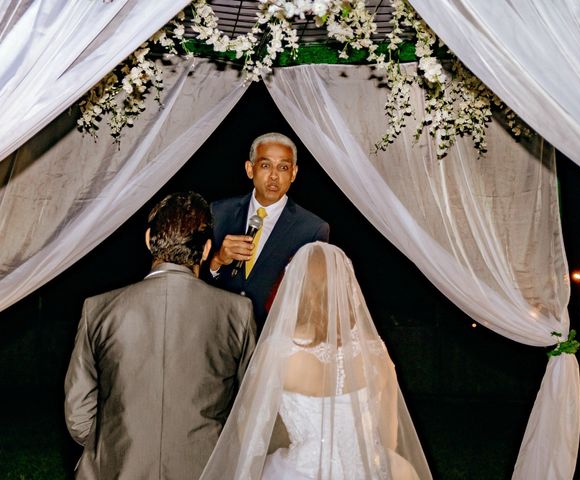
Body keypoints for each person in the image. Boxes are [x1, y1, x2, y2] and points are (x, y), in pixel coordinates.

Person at [198, 242, 432, 479]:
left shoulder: (280, 351)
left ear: (297, 288)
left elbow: (249, 433)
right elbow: (389, 438)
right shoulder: (375, 352)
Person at [64, 192, 256, 479]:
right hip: (205, 468)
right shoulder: (237, 312)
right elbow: (252, 402)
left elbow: (78, 411)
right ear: (205, 250)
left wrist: (115, 443)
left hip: (116, 469)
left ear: (148, 240)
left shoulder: (100, 309)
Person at [208, 132, 329, 328]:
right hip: (218, 330)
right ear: (250, 169)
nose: (274, 176)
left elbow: (313, 302)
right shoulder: (219, 212)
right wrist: (217, 261)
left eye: (283, 167)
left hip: (272, 340)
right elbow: (195, 281)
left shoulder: (312, 229)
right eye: (265, 165)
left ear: (294, 173)